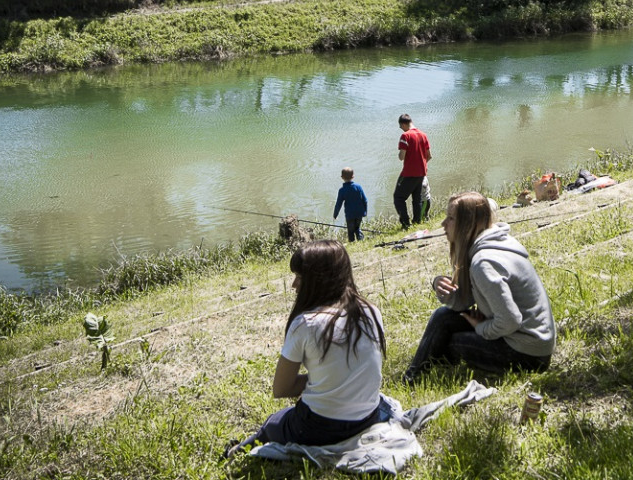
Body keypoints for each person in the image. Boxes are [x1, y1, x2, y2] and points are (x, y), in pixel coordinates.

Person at [225, 240, 389, 457]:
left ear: (317, 281)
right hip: (368, 417)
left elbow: (281, 389)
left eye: (300, 278)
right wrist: (330, 378)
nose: (294, 284)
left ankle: (235, 452)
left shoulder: (306, 323)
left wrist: (320, 380)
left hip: (321, 427)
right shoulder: (370, 311)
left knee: (273, 423)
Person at [403, 191, 555, 383]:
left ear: (468, 225)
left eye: (450, 218)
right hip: (528, 342)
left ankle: (412, 380)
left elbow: (510, 321)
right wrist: (439, 285)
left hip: (528, 355)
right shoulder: (493, 244)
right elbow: (463, 303)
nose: (443, 224)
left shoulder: (484, 263)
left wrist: (481, 327)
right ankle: (413, 375)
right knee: (443, 316)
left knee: (448, 343)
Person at [394, 113, 431, 230]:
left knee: (398, 198)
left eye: (401, 126)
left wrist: (400, 152)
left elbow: (401, 157)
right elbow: (429, 156)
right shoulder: (423, 135)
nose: (401, 129)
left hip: (408, 173)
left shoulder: (405, 136)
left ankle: (405, 224)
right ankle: (417, 221)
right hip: (421, 173)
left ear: (404, 124)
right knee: (417, 199)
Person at [333, 167, 369, 242]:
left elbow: (338, 204)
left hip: (350, 215)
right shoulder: (358, 187)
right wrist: (365, 211)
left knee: (350, 230)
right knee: (357, 228)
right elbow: (365, 200)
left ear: (342, 177)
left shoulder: (342, 190)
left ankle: (352, 242)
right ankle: (361, 240)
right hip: (359, 213)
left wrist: (335, 214)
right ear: (353, 176)